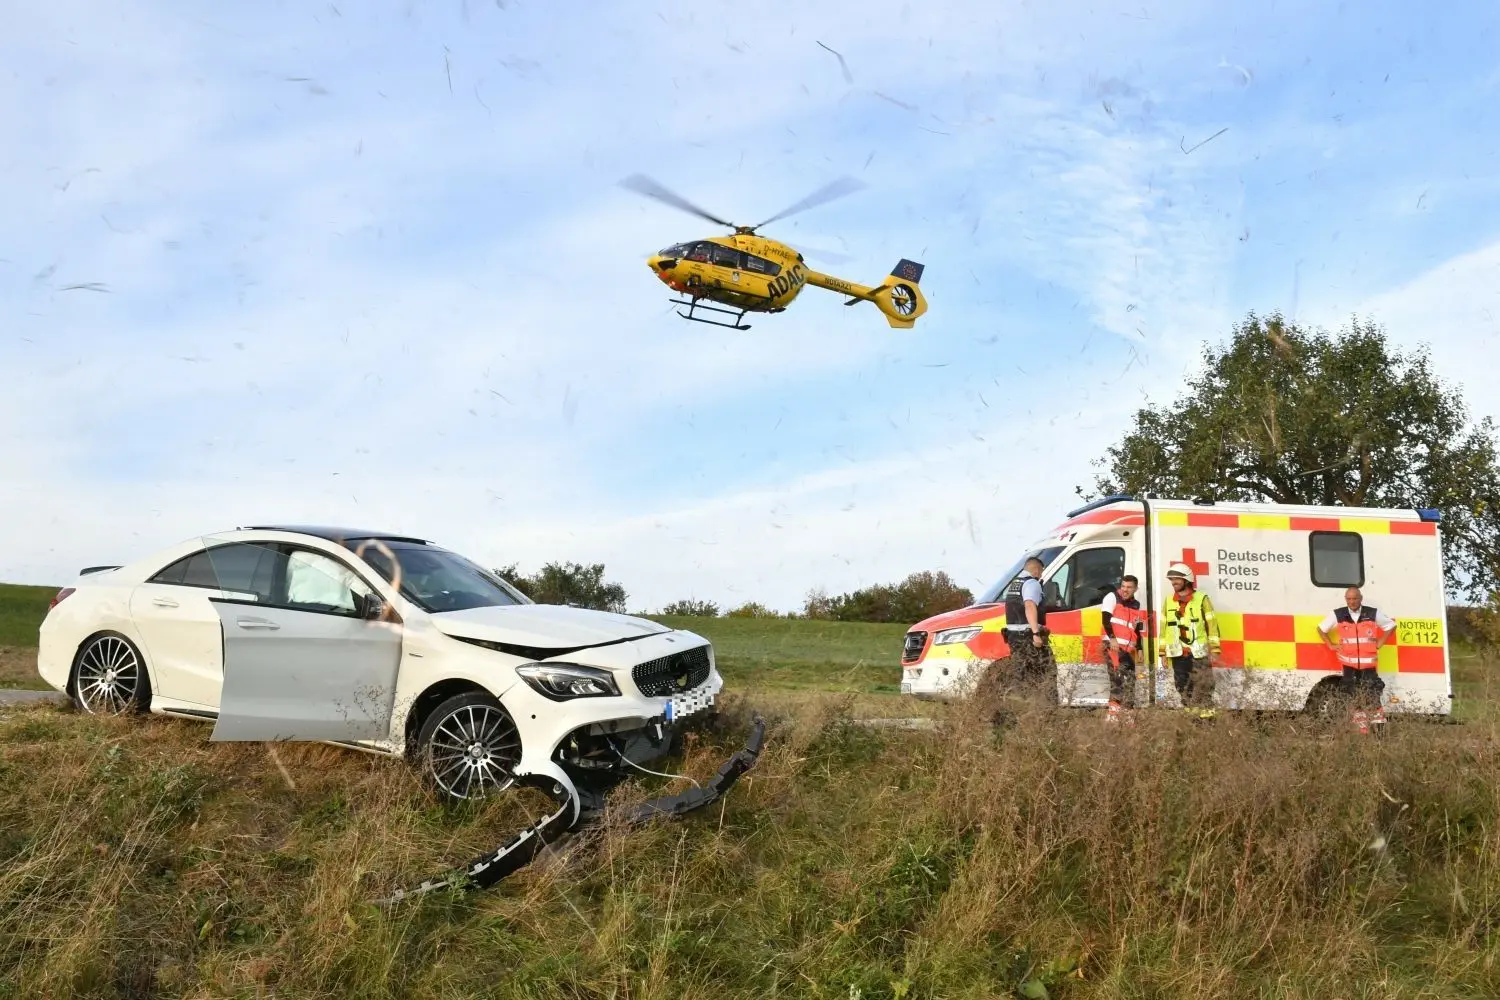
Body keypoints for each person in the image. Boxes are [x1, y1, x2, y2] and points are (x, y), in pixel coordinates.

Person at [1318, 586, 1396, 734]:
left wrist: (1380, 642)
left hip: (1368, 665)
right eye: (1349, 599)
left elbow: (1391, 626)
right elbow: (1321, 629)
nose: (1352, 602)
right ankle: (1362, 733)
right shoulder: (1338, 614)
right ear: (1345, 599)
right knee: (1353, 696)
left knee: (1373, 697)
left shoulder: (1372, 613)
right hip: (1349, 665)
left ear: (1360, 598)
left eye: (1354, 598)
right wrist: (1330, 645)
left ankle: (1379, 734)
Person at [1161, 563, 1221, 718]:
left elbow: (1212, 624)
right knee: (1182, 688)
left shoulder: (1202, 599)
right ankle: (1192, 721)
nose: (1173, 582)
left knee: (1204, 687)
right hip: (1178, 653)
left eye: (1177, 579)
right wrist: (1163, 653)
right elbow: (1164, 628)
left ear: (1187, 580)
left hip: (1198, 653)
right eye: (1172, 580)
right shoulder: (1168, 601)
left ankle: (1208, 723)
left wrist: (1214, 648)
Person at [1003, 556, 1057, 704]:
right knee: (1048, 673)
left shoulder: (1014, 585)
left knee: (1022, 675)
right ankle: (1047, 713)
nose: (1041, 575)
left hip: (1014, 636)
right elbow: (1029, 606)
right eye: (1041, 572)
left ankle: (1020, 709)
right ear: (1036, 570)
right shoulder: (1032, 583)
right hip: (1028, 636)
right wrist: (1036, 633)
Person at [1100, 574, 1147, 724]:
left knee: (1131, 679)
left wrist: (1140, 651)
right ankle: (1113, 716)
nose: (1125, 590)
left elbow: (1138, 630)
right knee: (1117, 679)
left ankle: (1127, 713)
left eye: (1129, 587)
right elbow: (1105, 619)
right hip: (1112, 646)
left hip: (1128, 649)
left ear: (1135, 588)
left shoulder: (1136, 605)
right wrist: (1112, 638)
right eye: (1123, 586)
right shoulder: (1112, 597)